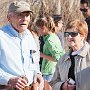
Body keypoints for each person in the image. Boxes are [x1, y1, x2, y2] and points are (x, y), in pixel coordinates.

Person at [0, 1, 44, 90]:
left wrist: (37, 73)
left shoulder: (31, 36)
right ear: (9, 17)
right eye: (20, 15)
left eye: (27, 15)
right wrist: (9, 79)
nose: (24, 19)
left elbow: (34, 62)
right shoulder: (1, 36)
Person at [50, 19, 90, 90]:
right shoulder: (63, 59)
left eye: (73, 34)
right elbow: (53, 82)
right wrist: (62, 86)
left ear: (83, 36)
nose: (69, 37)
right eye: (67, 34)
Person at [35, 15, 64, 82]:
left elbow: (58, 58)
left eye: (38, 29)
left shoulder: (49, 40)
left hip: (50, 73)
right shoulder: (53, 36)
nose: (38, 31)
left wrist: (42, 55)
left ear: (43, 28)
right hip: (51, 71)